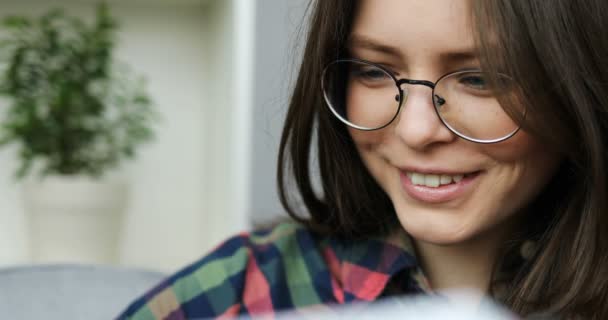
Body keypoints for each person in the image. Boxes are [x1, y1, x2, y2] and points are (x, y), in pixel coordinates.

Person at [117, 0, 608, 319]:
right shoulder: (248, 287)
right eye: (374, 71)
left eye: (478, 79)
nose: (415, 130)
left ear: (578, 86)